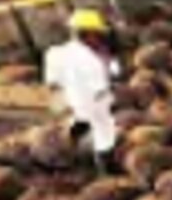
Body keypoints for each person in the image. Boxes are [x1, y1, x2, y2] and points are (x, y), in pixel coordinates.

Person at [44, 9, 121, 174]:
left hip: (72, 110)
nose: (100, 38)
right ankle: (106, 172)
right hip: (94, 108)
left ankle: (83, 161)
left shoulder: (54, 53)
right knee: (104, 141)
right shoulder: (92, 59)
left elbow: (53, 85)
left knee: (82, 136)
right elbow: (104, 87)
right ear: (86, 34)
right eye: (97, 34)